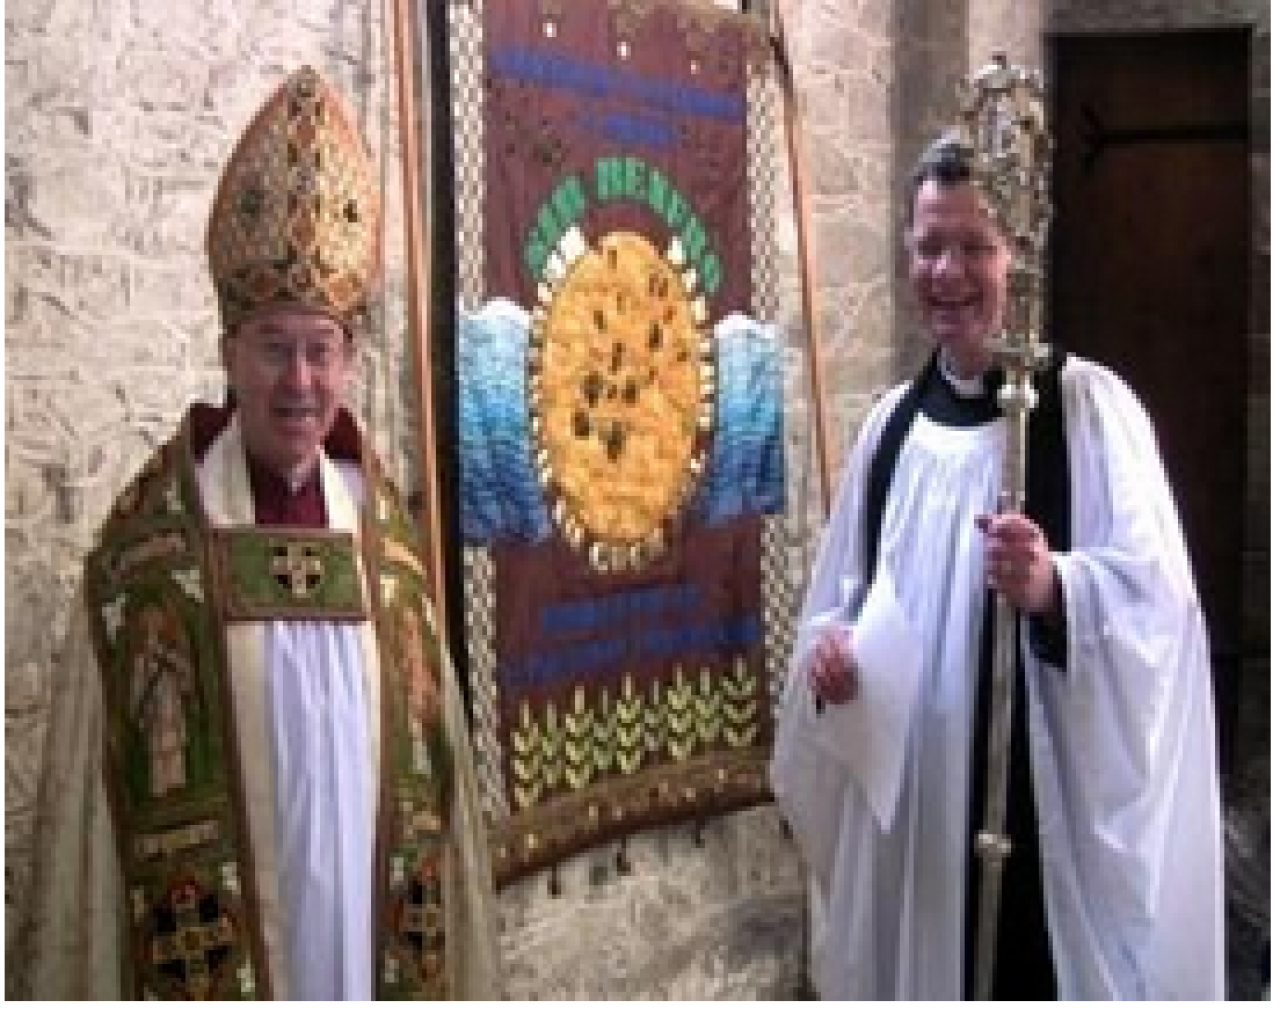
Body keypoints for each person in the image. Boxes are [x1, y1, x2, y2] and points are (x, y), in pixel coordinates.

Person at [13, 66, 502, 1001]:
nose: (300, 381)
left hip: (368, 953)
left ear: (348, 363)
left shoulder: (390, 551)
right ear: (229, 353)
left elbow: (441, 800)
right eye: (274, 347)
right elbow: (91, 830)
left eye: (321, 349)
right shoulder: (151, 559)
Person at [770, 129, 1225, 999]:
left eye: (974, 246)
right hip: (915, 824)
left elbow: (1162, 612)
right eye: (929, 245)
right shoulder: (890, 429)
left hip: (1038, 820)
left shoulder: (1087, 411)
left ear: (1018, 256)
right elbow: (845, 605)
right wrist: (832, 660)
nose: (947, 271)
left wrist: (1056, 587)